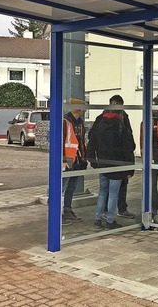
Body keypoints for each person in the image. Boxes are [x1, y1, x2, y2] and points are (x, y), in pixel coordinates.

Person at [88, 95, 136, 230]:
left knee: (103, 191)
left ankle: (98, 219)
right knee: (113, 193)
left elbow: (91, 141)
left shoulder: (100, 121)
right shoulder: (122, 123)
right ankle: (110, 220)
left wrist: (93, 161)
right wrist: (130, 168)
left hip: (103, 163)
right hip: (118, 164)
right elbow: (129, 147)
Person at [61, 97, 88, 226]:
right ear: (78, 109)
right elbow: (60, 143)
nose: (84, 112)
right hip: (68, 161)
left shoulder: (80, 123)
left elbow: (81, 141)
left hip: (77, 160)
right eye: (83, 109)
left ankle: (67, 210)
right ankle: (57, 214)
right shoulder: (65, 122)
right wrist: (62, 160)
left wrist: (83, 158)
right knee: (61, 187)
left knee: (71, 188)